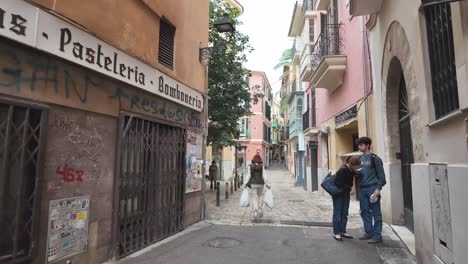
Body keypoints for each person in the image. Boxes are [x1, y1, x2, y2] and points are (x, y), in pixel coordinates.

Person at [356, 137, 386, 244]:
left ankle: (377, 236)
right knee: (364, 211)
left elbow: (382, 176)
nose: (359, 146)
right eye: (358, 145)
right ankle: (368, 232)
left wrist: (378, 188)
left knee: (376, 212)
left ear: (367, 145)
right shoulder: (359, 159)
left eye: (361, 145)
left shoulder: (375, 159)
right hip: (362, 189)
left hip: (372, 188)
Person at [332, 156, 361, 241]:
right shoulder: (343, 169)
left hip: (345, 194)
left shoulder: (351, 170)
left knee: (344, 213)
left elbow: (351, 180)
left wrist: (357, 172)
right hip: (338, 194)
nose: (357, 168)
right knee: (337, 213)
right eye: (356, 166)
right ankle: (336, 233)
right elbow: (337, 182)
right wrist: (348, 188)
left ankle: (343, 231)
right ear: (351, 164)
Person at [245, 149, 270, 219]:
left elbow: (248, 175)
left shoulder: (250, 166)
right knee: (261, 196)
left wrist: (245, 183)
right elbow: (264, 176)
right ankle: (260, 209)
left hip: (253, 184)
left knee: (254, 197)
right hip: (261, 184)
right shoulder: (261, 166)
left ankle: (255, 211)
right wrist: (267, 184)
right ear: (260, 160)